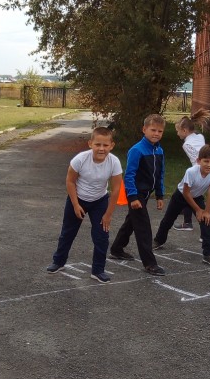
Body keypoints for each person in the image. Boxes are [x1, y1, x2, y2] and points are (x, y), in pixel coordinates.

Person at [46, 126, 123, 283]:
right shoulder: (80, 159)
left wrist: (108, 214)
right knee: (68, 232)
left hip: (99, 201)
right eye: (97, 144)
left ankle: (98, 270)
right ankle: (58, 262)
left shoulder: (114, 162)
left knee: (101, 236)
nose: (101, 148)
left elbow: (116, 189)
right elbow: (70, 181)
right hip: (78, 198)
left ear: (111, 146)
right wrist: (75, 204)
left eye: (105, 145)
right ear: (90, 144)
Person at [110, 114, 167, 275]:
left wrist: (160, 195)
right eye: (153, 130)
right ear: (144, 129)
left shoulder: (159, 150)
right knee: (143, 227)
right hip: (136, 193)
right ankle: (150, 263)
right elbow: (129, 175)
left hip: (147, 193)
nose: (156, 134)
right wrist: (133, 197)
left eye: (160, 131)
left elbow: (160, 174)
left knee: (131, 221)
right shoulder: (137, 150)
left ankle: (117, 249)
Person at [153, 144, 210, 266]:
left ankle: (209, 254)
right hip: (181, 196)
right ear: (198, 161)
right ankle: (158, 240)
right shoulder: (191, 172)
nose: (209, 165)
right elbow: (186, 193)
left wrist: (206, 211)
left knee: (206, 222)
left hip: (197, 196)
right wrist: (197, 210)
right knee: (168, 220)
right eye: (206, 161)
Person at [173, 108, 210, 230]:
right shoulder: (200, 136)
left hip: (200, 171)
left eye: (178, 131)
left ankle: (189, 222)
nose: (177, 134)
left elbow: (197, 160)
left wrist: (200, 174)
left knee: (188, 194)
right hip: (208, 168)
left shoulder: (186, 145)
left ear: (184, 131)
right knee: (189, 194)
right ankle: (187, 220)